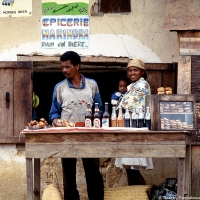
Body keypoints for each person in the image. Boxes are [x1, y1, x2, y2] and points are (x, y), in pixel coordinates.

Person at [49, 51, 104, 200]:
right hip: (67, 137)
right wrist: (56, 122)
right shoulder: (59, 88)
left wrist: (94, 122)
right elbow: (53, 113)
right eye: (62, 67)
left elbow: (100, 110)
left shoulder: (92, 85)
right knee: (68, 178)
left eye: (67, 66)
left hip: (89, 136)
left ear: (77, 66)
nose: (64, 70)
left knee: (93, 174)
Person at [115, 58, 154, 185]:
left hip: (135, 126)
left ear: (142, 72)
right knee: (129, 168)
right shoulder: (132, 86)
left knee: (133, 167)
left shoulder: (142, 86)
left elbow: (126, 105)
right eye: (130, 70)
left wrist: (116, 106)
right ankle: (134, 194)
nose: (132, 73)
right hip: (129, 126)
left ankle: (142, 195)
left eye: (135, 70)